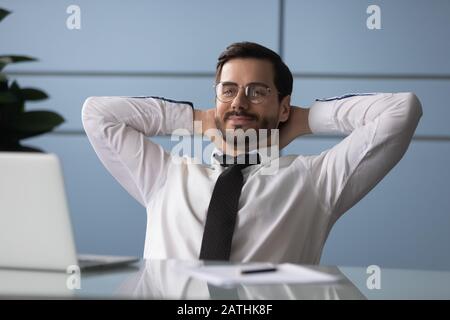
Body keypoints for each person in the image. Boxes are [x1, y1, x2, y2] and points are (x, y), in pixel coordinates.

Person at [82, 42, 422, 264]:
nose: (239, 102)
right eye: (228, 91)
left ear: (284, 106)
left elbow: (400, 111)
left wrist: (302, 119)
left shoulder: (316, 180)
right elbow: (98, 114)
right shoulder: (164, 175)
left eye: (257, 92)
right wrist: (198, 118)